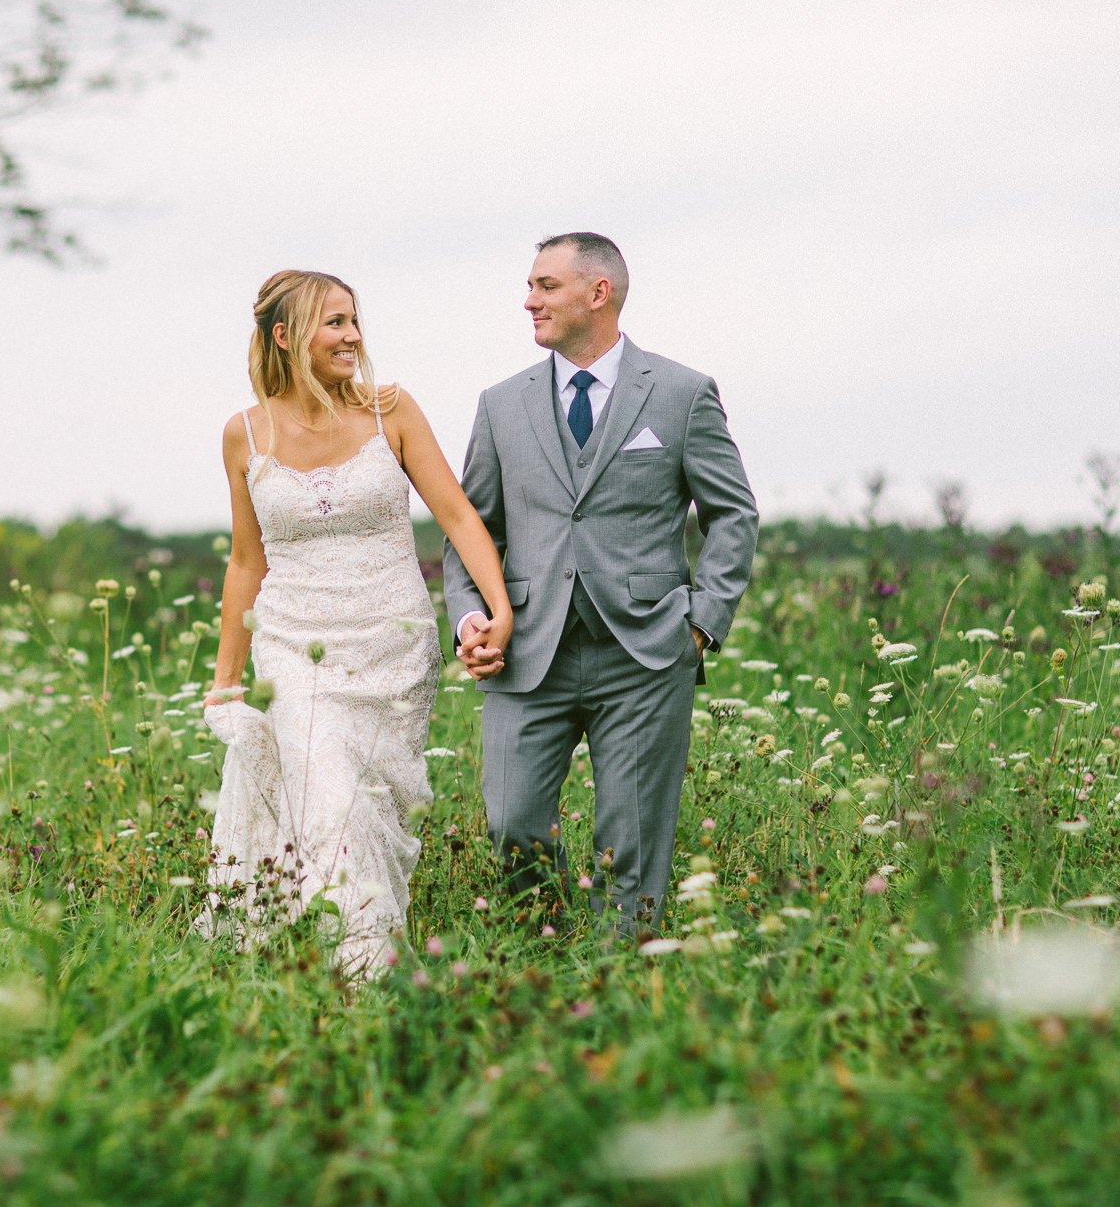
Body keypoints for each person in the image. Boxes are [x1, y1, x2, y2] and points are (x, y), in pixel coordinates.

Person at [200, 269, 513, 978]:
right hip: (293, 648)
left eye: (353, 320)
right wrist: (225, 679)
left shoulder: (390, 411)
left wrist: (499, 609)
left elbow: (458, 515)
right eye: (334, 322)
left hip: (392, 647)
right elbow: (246, 563)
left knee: (374, 811)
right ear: (285, 337)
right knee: (329, 801)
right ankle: (361, 976)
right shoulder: (243, 434)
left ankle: (355, 955)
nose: (352, 335)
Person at [443, 233, 758, 934]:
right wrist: (469, 619)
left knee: (633, 848)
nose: (529, 300)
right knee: (511, 821)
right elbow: (470, 530)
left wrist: (702, 621)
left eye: (545, 285)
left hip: (646, 652)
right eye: (529, 285)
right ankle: (543, 956)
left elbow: (733, 513)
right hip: (526, 653)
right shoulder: (500, 405)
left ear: (598, 292)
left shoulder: (681, 393)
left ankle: (623, 981)